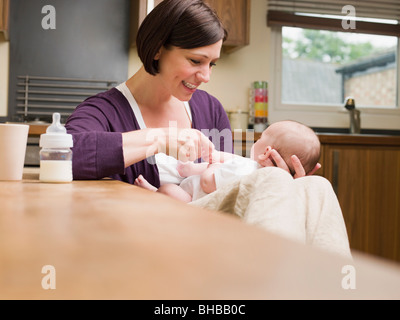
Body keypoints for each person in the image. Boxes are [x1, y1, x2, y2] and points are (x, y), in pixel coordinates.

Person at [65, 0, 351, 258]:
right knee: (274, 181)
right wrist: (160, 139)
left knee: (314, 186)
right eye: (195, 61)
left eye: (212, 64)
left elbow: (231, 189)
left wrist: (289, 185)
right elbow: (66, 155)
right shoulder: (104, 111)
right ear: (157, 50)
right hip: (149, 241)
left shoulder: (210, 109)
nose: (206, 76)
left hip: (213, 239)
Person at [135, 120, 321, 202]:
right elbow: (227, 159)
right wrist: (200, 164)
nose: (255, 141)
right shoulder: (253, 170)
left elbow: (208, 182)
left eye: (260, 138)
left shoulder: (246, 170)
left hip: (194, 202)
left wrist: (214, 164)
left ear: (266, 151)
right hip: (192, 186)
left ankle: (154, 192)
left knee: (169, 190)